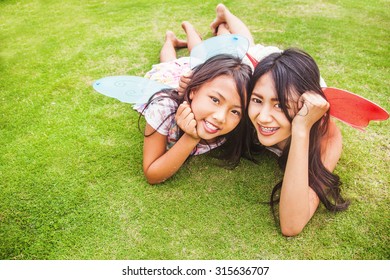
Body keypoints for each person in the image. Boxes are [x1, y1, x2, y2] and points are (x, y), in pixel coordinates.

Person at [178, 3, 349, 236]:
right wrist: (195, 82)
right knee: (226, 51)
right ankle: (223, 17)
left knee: (242, 45)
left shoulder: (326, 137)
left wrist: (301, 129)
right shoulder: (249, 94)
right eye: (257, 101)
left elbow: (291, 225)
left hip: (290, 78)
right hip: (262, 68)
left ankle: (224, 17)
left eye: (280, 105)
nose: (263, 117)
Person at [138, 23, 252, 185]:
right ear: (193, 91)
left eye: (235, 111)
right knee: (170, 63)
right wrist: (191, 137)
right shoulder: (164, 107)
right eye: (215, 100)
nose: (220, 117)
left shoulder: (238, 99)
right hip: (170, 80)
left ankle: (197, 32)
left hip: (206, 78)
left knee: (202, 58)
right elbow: (152, 174)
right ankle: (173, 39)